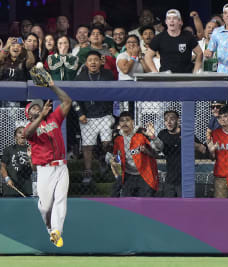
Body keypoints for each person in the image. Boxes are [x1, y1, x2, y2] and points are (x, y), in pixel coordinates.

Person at [24, 80, 72, 248]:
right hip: (45, 169)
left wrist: (51, 85)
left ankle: (57, 231)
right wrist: (41, 117)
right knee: (45, 208)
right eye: (33, 108)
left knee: (60, 199)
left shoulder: (54, 118)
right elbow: (27, 134)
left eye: (39, 106)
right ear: (28, 114)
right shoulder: (30, 127)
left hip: (61, 166)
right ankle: (50, 228)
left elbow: (67, 101)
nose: (37, 108)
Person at [144, 110, 206, 197]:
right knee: (168, 207)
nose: (168, 122)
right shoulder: (163, 133)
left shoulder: (185, 133)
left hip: (185, 180)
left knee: (186, 207)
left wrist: (189, 142)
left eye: (172, 119)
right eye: (166, 120)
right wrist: (152, 137)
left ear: (178, 120)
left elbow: (203, 149)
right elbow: (156, 152)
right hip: (170, 179)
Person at [75, 50, 114, 183]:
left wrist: (110, 112)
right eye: (90, 60)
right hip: (88, 116)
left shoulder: (108, 74)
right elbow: (75, 99)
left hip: (105, 115)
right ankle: (88, 173)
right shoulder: (80, 77)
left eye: (96, 60)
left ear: (100, 62)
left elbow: (115, 93)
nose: (93, 62)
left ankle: (105, 162)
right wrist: (80, 113)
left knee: (107, 144)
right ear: (86, 63)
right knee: (87, 146)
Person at [112, 111, 159, 197]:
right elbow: (114, 158)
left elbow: (158, 149)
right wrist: (116, 167)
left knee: (145, 203)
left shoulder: (141, 134)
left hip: (144, 175)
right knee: (127, 203)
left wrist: (152, 136)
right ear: (119, 123)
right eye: (122, 120)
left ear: (133, 122)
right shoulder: (117, 138)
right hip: (128, 175)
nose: (125, 123)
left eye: (127, 120)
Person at [145, 9, 202, 73]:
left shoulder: (188, 36)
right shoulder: (159, 38)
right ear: (166, 22)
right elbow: (148, 56)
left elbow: (199, 53)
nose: (171, 21)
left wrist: (195, 72)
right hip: (166, 77)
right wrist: (155, 72)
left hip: (186, 77)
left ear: (180, 21)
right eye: (169, 18)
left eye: (174, 18)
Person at [0, 126, 33, 197]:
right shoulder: (8, 149)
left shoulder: (31, 149)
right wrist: (7, 178)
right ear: (15, 137)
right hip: (11, 189)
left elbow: (34, 169)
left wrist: (30, 157)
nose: (22, 134)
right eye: (20, 132)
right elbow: (2, 167)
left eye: (24, 132)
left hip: (26, 189)